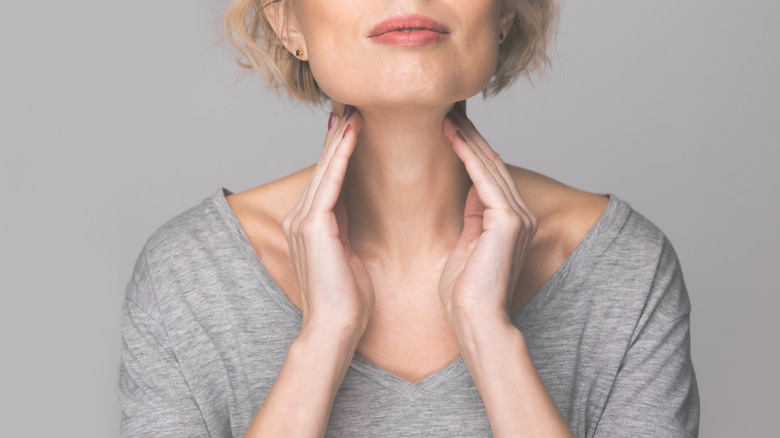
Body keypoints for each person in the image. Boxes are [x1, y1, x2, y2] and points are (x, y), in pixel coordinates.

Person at [117, 0, 700, 436]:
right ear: (286, 20)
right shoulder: (187, 279)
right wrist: (322, 340)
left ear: (505, 12)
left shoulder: (624, 269)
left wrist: (489, 335)